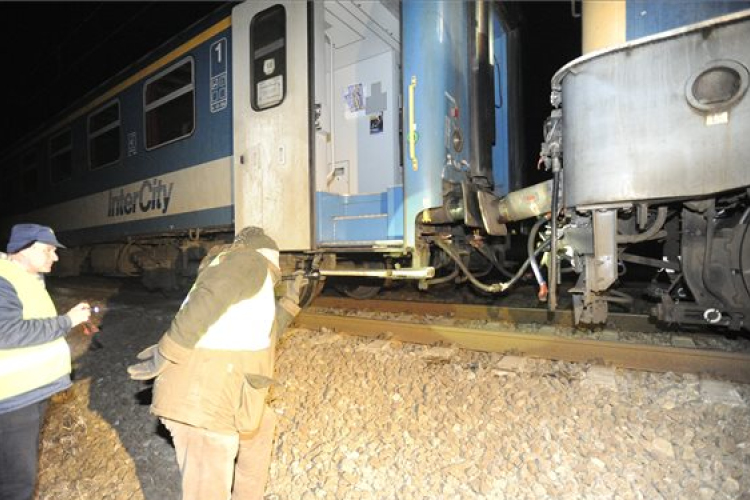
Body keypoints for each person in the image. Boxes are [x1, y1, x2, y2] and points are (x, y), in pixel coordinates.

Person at [128, 226, 305, 500]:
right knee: (208, 482)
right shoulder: (248, 262)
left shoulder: (254, 280)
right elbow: (205, 301)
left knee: (262, 425)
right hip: (201, 400)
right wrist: (167, 351)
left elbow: (261, 335)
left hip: (227, 388)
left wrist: (290, 304)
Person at [0, 223, 92, 500]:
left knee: (15, 474)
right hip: (13, 398)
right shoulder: (4, 281)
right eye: (48, 250)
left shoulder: (27, 278)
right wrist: (67, 321)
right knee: (17, 483)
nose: (55, 256)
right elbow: (6, 333)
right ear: (24, 250)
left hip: (29, 392)